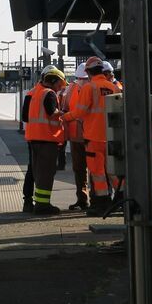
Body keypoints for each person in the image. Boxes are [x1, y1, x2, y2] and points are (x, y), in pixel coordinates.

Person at [61, 56, 119, 216]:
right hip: (112, 137)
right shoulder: (113, 88)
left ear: (88, 72)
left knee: (97, 172)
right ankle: (121, 198)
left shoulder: (89, 88)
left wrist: (64, 117)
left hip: (93, 137)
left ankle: (102, 203)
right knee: (113, 170)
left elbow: (80, 112)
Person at [21, 66, 67, 215]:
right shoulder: (49, 94)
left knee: (35, 171)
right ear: (53, 81)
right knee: (46, 174)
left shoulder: (32, 93)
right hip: (47, 139)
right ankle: (42, 205)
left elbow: (25, 117)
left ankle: (31, 202)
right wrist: (66, 114)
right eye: (59, 85)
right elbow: (51, 112)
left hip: (33, 139)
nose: (60, 88)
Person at [62, 62, 91, 211]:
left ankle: (100, 198)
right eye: (81, 78)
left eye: (85, 78)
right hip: (76, 137)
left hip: (92, 135)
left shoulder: (93, 89)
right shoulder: (70, 90)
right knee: (79, 168)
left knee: (96, 169)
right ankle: (82, 198)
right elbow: (64, 109)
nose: (83, 81)